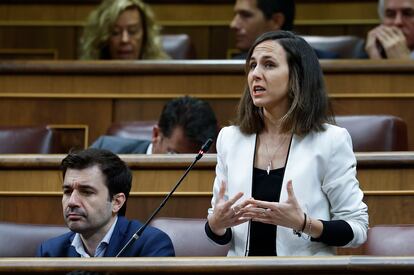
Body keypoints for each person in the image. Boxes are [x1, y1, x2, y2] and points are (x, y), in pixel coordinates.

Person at [205, 31, 368, 256]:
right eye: (252, 66)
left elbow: (357, 229)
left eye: (269, 65)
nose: (255, 75)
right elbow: (220, 230)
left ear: (297, 76)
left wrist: (304, 223)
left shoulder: (330, 141)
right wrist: (217, 223)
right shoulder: (230, 139)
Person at [37, 148, 175, 257]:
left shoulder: (149, 245)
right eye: (67, 191)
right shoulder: (51, 252)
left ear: (116, 202)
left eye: (86, 192)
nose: (72, 202)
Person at [91, 96, 218, 154]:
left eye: (197, 159)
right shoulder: (105, 150)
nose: (187, 168)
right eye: (174, 155)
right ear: (156, 134)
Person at [230, 0, 337, 59]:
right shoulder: (236, 65)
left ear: (276, 21)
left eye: (245, 15)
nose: (233, 24)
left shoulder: (325, 64)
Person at [80, 0, 169, 60]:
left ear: (145, 35)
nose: (124, 39)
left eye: (132, 31)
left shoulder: (163, 77)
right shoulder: (86, 77)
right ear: (103, 38)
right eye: (115, 32)